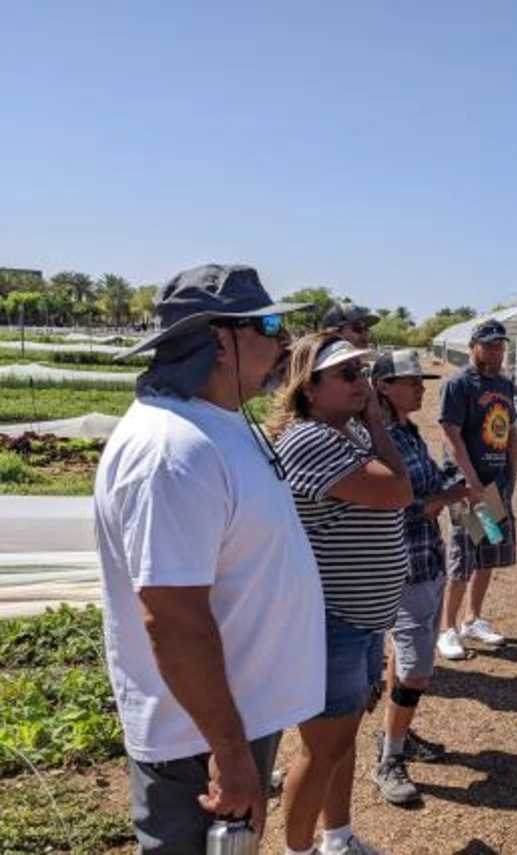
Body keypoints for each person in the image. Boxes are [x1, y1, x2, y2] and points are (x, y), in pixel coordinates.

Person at [93, 264, 325, 852]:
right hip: (195, 741)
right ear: (220, 339)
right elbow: (173, 619)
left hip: (231, 721)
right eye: (269, 323)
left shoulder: (220, 424)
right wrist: (228, 751)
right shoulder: (171, 450)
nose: (283, 341)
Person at [269, 333, 413, 855]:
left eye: (362, 372)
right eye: (347, 375)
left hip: (358, 619)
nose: (363, 382)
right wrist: (377, 421)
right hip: (332, 621)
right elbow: (399, 490)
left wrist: (368, 422)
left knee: (340, 741)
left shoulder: (343, 431)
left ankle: (338, 837)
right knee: (320, 748)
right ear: (310, 387)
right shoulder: (313, 439)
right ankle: (299, 850)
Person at [370, 349, 469, 805]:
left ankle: (396, 738)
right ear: (384, 387)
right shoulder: (377, 438)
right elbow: (400, 503)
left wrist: (447, 486)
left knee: (404, 661)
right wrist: (450, 496)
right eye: (410, 381)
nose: (420, 387)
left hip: (427, 559)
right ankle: (389, 759)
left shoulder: (407, 432)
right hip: (405, 566)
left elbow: (425, 486)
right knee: (417, 671)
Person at [436, 319, 517, 660]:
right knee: (462, 560)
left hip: (494, 486)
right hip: (468, 489)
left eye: (500, 345)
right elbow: (451, 434)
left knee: (486, 556)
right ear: (473, 346)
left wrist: (511, 479)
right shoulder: (459, 383)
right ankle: (447, 629)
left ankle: (472, 620)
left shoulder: (504, 384)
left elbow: (510, 432)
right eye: (489, 345)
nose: (496, 351)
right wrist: (470, 481)